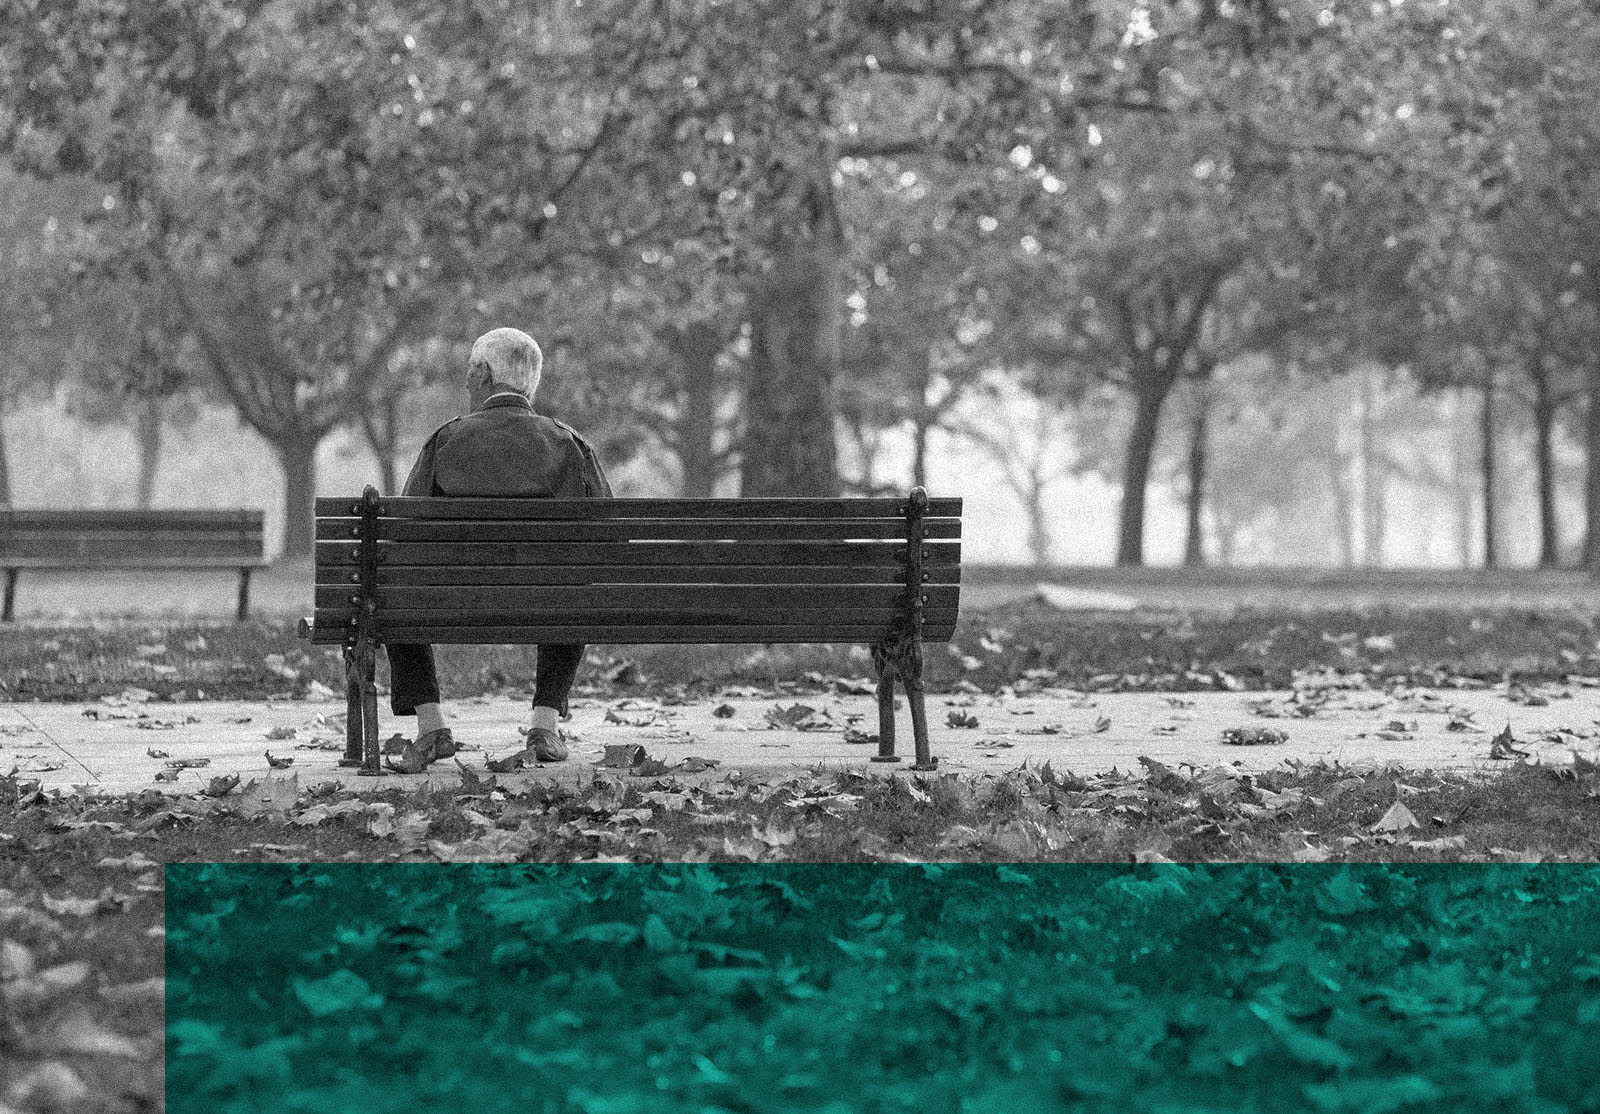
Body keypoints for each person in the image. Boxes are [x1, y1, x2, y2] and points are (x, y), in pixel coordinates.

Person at [385, 327, 612, 767]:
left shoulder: (446, 440)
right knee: (572, 587)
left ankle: (431, 727)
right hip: (550, 602)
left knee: (392, 591)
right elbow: (609, 535)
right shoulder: (568, 444)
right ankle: (544, 727)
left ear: (484, 376)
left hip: (451, 603)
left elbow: (404, 534)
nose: (466, 381)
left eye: (471, 372)